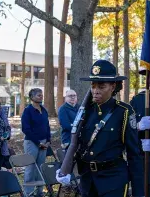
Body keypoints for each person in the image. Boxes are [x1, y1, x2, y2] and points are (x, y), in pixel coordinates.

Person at [57, 60, 144, 197]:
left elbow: (134, 155)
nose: (95, 91)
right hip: (87, 181)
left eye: (101, 86)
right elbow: (76, 142)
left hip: (113, 181)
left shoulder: (124, 112)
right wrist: (64, 168)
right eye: (93, 86)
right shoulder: (85, 111)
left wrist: (139, 192)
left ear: (112, 86)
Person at [21, 88, 51, 197]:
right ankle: (28, 193)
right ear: (32, 97)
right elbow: (26, 129)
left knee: (40, 167)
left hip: (44, 143)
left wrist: (48, 141)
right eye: (39, 95)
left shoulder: (44, 110)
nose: (41, 96)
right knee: (30, 167)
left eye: (41, 95)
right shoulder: (27, 111)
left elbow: (47, 126)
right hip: (31, 143)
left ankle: (39, 192)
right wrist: (38, 143)